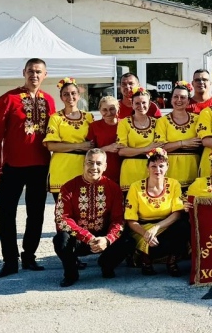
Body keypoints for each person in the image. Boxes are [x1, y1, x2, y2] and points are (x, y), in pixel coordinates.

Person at [0, 58, 57, 278]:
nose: (34, 75)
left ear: (45, 75)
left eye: (38, 72)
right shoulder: (8, 98)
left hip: (40, 165)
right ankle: (9, 261)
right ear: (23, 73)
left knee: (35, 214)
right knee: (6, 214)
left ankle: (29, 257)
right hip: (12, 167)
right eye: (30, 71)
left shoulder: (49, 101)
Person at [53, 149, 133, 287]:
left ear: (105, 166)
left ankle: (106, 265)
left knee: (129, 240)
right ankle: (71, 274)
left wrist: (107, 240)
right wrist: (87, 237)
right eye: (90, 163)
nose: (94, 167)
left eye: (98, 163)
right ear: (84, 164)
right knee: (60, 239)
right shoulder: (68, 187)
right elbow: (62, 219)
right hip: (79, 239)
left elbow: (118, 219)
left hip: (104, 238)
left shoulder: (113, 188)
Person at [124, 148, 188, 276]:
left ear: (167, 167)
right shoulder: (135, 187)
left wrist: (157, 227)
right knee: (150, 243)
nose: (157, 170)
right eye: (153, 166)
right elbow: (131, 220)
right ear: (147, 167)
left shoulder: (174, 184)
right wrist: (146, 233)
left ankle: (172, 262)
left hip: (166, 224)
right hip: (142, 228)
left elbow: (177, 213)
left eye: (161, 166)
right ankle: (145, 260)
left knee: (184, 225)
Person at [44, 78, 95, 199]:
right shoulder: (55, 118)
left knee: (84, 210)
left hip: (83, 167)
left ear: (78, 95)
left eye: (73, 93)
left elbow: (93, 143)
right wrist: (79, 145)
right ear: (61, 97)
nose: (70, 97)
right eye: (65, 94)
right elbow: (51, 145)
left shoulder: (88, 117)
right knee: (63, 211)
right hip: (62, 168)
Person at [154, 81, 203, 188]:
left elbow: (201, 142)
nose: (179, 100)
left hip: (193, 167)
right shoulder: (162, 121)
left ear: (188, 101)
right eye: (175, 97)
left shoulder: (197, 119)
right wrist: (184, 143)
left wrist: (172, 145)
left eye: (183, 97)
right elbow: (160, 147)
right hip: (170, 169)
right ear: (171, 100)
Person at [116, 86, 159, 191]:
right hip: (131, 169)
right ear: (132, 104)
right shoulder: (124, 123)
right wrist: (146, 149)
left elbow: (160, 146)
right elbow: (122, 151)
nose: (141, 106)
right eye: (137, 103)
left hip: (151, 169)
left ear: (149, 104)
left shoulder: (156, 123)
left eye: (144, 103)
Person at [87, 96, 122, 184]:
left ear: (118, 108)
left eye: (112, 109)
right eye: (105, 110)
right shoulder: (94, 126)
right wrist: (107, 148)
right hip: (102, 171)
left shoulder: (125, 124)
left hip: (123, 170)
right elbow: (89, 151)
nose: (109, 113)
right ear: (100, 110)